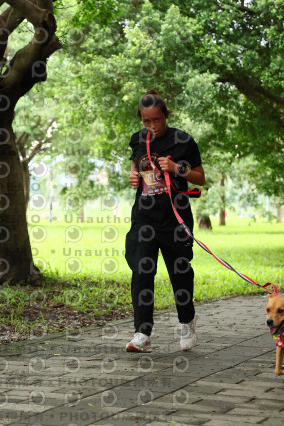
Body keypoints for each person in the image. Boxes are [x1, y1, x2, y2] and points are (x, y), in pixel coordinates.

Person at [124, 89, 205, 353]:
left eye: (156, 120)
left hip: (175, 219)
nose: (151, 126)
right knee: (141, 272)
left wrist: (176, 169)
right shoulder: (138, 140)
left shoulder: (182, 140)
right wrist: (133, 177)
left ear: (165, 115)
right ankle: (142, 333)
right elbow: (136, 167)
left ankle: (187, 321)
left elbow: (200, 178)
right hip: (144, 219)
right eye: (146, 121)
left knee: (180, 272)